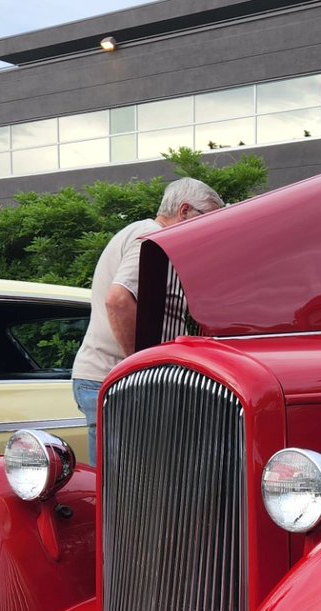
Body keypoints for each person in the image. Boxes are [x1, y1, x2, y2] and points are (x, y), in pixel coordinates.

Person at [72, 177, 224, 462]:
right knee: (124, 490)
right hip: (117, 381)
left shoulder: (147, 236)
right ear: (185, 211)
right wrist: (140, 370)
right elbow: (117, 300)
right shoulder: (152, 236)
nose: (209, 231)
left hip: (110, 379)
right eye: (207, 220)